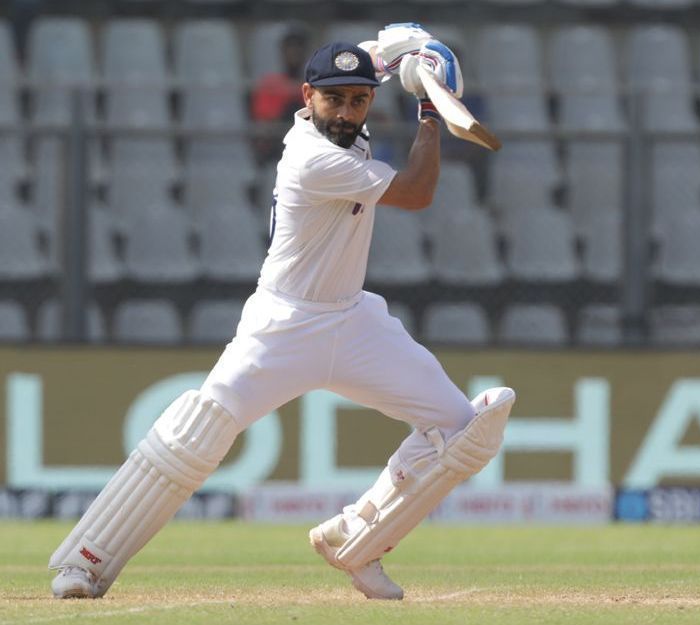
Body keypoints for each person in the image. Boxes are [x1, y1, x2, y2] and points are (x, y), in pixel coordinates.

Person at [48, 25, 514, 602]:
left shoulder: (345, 116)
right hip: (283, 325)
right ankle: (85, 561)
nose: (346, 112)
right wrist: (427, 107)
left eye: (360, 100)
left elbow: (373, 57)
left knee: (463, 432)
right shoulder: (313, 157)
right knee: (198, 432)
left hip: (354, 322)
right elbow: (417, 192)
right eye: (334, 99)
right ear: (306, 98)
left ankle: (357, 542)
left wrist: (409, 51)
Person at [252, 24, 311, 161]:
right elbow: (263, 122)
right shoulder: (270, 83)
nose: (294, 53)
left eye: (298, 47)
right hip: (276, 146)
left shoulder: (315, 85)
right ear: (283, 51)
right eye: (290, 48)